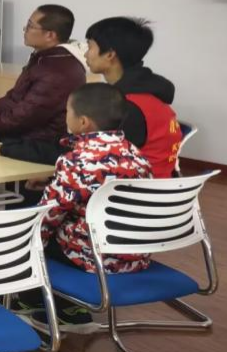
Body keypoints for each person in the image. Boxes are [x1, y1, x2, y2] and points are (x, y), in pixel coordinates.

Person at [28, 83, 153, 326]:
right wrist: (56, 181)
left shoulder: (75, 161)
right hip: (135, 256)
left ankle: (49, 306)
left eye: (67, 111)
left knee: (33, 233)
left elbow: (47, 217)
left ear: (83, 122)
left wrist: (20, 242)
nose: (65, 116)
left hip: (92, 259)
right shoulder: (138, 157)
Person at [0, 4, 87, 165]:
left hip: (35, 144)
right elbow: (13, 98)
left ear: (50, 35)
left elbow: (20, 118)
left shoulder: (56, 72)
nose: (24, 30)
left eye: (30, 26)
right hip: (22, 134)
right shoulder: (46, 58)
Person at [84, 17, 182, 178]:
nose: (86, 54)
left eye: (89, 47)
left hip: (135, 188)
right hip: (159, 183)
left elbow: (95, 156)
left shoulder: (127, 106)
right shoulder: (147, 92)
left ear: (110, 54)